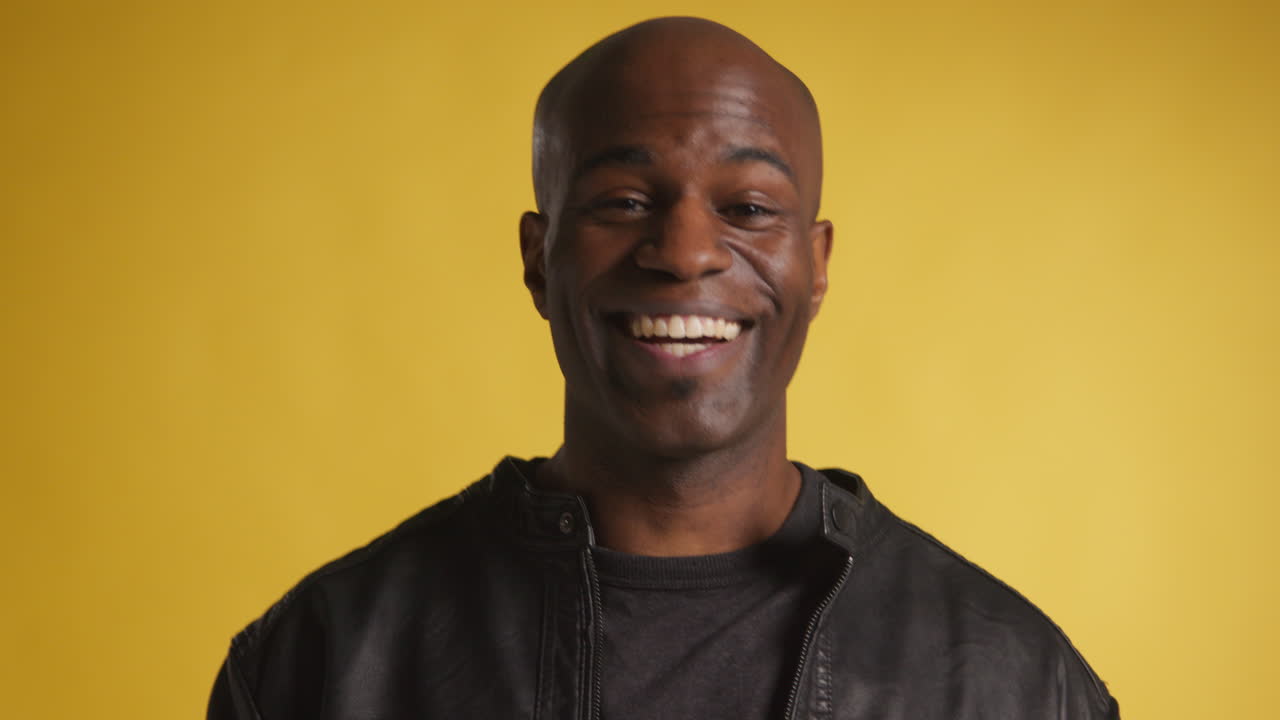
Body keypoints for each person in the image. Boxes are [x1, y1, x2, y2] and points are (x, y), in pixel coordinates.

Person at [208, 17, 1119, 720]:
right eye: (625, 200)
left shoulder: (1018, 684)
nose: (684, 252)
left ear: (819, 263)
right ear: (538, 257)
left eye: (751, 206)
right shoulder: (324, 665)